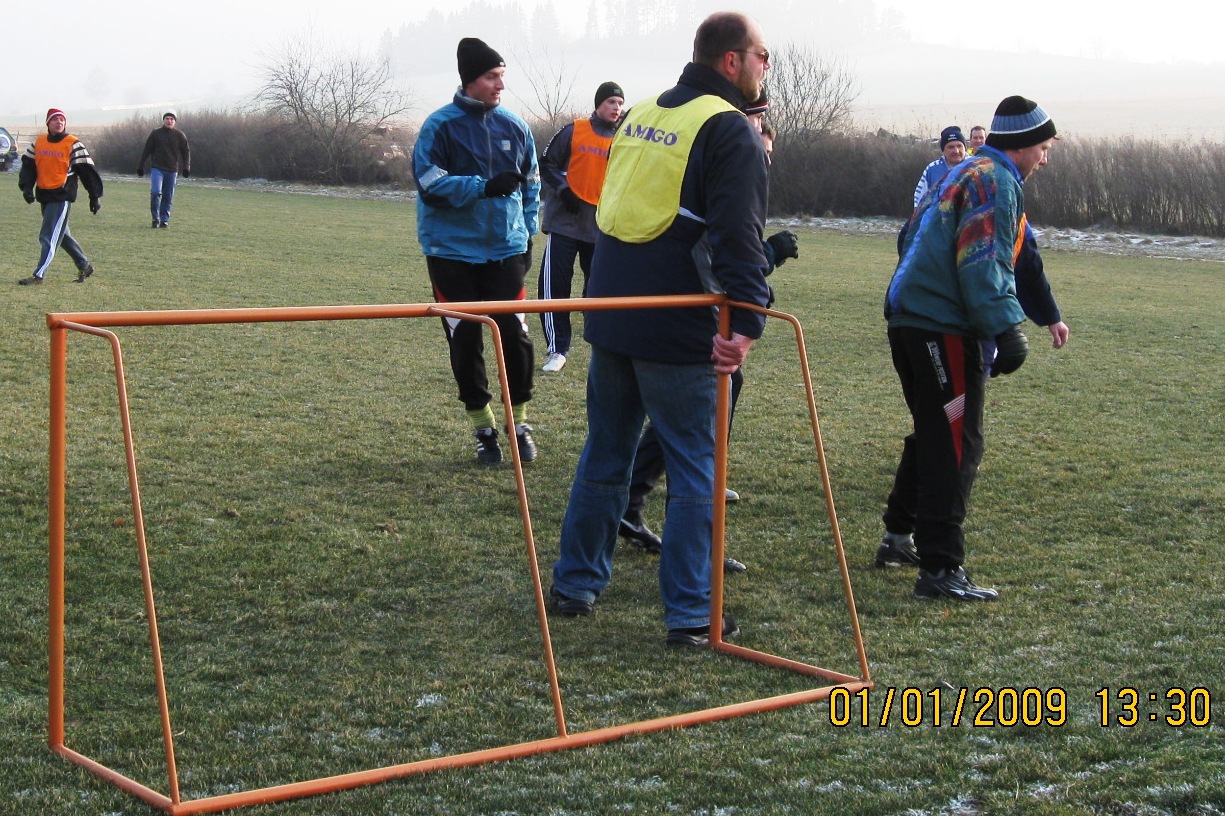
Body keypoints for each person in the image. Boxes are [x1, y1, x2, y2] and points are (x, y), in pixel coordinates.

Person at [550, 11, 772, 647]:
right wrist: (749, 320)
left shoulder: (643, 112)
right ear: (731, 61)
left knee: (606, 451)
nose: (765, 68)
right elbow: (739, 236)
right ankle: (692, 613)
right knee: (696, 468)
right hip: (681, 325)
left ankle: (576, 585)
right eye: (762, 56)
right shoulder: (729, 129)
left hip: (612, 312)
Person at [880, 95, 1058, 601]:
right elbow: (983, 261)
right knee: (957, 444)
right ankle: (940, 569)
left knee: (935, 432)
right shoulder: (995, 181)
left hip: (909, 318)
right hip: (942, 329)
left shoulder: (962, 172)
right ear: (1023, 145)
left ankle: (898, 535)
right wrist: (1007, 328)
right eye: (1043, 147)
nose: (1045, 157)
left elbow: (908, 233)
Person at [618, 89, 798, 575]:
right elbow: (716, 246)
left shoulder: (718, 143)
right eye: (761, 134)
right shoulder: (725, 143)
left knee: (680, 425)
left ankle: (629, 508)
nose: (764, 148)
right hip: (688, 319)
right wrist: (761, 281)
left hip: (645, 308)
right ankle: (694, 579)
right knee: (697, 437)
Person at [412, 38, 541, 466]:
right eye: (492, 77)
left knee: (516, 339)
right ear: (471, 80)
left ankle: (518, 423)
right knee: (466, 341)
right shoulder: (439, 127)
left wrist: (526, 239)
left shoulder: (515, 127)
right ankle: (483, 428)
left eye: (502, 76)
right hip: (451, 254)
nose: (500, 85)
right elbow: (429, 183)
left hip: (506, 253)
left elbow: (532, 187)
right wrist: (481, 186)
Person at [536, 81, 625, 374]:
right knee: (555, 287)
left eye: (620, 103)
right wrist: (564, 190)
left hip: (599, 227)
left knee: (597, 289)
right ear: (599, 104)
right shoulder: (573, 130)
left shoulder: (623, 139)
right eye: (612, 102)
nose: (616, 108)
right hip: (565, 223)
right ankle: (557, 349)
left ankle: (600, 345)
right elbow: (546, 164)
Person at [17, 108, 103, 286]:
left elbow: (87, 171)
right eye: (55, 119)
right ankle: (84, 265)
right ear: (48, 123)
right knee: (61, 234)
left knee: (48, 235)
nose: (59, 122)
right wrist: (27, 187)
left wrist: (94, 196)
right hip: (45, 194)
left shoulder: (73, 143)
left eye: (62, 120)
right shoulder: (39, 142)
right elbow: (29, 166)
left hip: (62, 195)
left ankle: (39, 275)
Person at [136, 110, 191, 228]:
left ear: (175, 121)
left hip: (172, 170)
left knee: (168, 196)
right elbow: (147, 150)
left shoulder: (180, 135)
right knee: (156, 192)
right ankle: (155, 218)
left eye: (172, 119)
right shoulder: (155, 134)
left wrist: (186, 167)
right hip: (157, 168)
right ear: (163, 120)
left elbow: (186, 152)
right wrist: (141, 165)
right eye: (167, 118)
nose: (169, 121)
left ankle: (164, 220)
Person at [912, 125, 967, 207]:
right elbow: (919, 199)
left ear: (965, 148)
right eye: (951, 147)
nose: (956, 151)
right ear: (943, 150)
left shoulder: (975, 166)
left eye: (959, 146)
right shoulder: (932, 169)